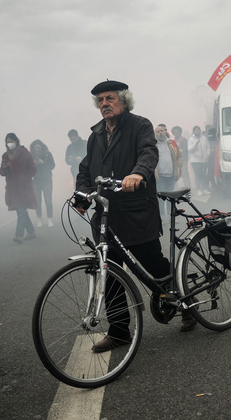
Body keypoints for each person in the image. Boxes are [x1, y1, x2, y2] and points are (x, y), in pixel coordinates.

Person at [74, 80, 196, 350]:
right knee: (111, 274)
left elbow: (148, 152)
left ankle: (185, 303)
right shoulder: (95, 136)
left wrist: (138, 173)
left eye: (110, 99)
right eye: (100, 101)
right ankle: (119, 332)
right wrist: (82, 193)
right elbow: (85, 169)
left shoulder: (139, 125)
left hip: (136, 212)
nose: (104, 104)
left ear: (123, 101)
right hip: (106, 217)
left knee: (153, 265)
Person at [0, 133, 37, 244]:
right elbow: (2, 172)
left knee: (21, 210)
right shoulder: (5, 156)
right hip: (12, 188)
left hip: (24, 187)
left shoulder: (25, 153)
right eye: (7, 142)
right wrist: (4, 167)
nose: (9, 143)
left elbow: (33, 169)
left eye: (11, 141)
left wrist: (25, 178)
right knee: (20, 210)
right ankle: (31, 232)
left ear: (16, 141)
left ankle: (19, 235)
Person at [154, 125, 183, 218]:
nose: (160, 133)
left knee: (171, 198)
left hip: (171, 176)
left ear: (165, 132)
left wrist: (179, 164)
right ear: (155, 134)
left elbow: (179, 155)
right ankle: (161, 216)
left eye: (162, 131)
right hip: (160, 176)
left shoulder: (172, 143)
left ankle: (172, 216)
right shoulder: (153, 145)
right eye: (158, 131)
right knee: (161, 198)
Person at [30, 139, 56, 227]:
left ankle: (50, 219)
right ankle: (39, 219)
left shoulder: (47, 154)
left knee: (48, 200)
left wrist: (43, 163)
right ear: (33, 148)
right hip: (36, 181)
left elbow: (52, 166)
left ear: (42, 147)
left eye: (38, 147)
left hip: (47, 180)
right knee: (37, 201)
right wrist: (33, 164)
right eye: (35, 148)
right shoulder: (30, 156)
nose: (37, 149)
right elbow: (28, 169)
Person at [188, 126, 209, 196]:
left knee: (203, 174)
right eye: (195, 130)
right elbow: (190, 149)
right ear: (193, 131)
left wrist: (207, 154)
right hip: (195, 161)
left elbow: (208, 147)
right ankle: (198, 189)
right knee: (198, 175)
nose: (197, 131)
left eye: (198, 130)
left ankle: (205, 189)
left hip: (204, 160)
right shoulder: (191, 139)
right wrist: (195, 144)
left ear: (200, 130)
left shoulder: (204, 138)